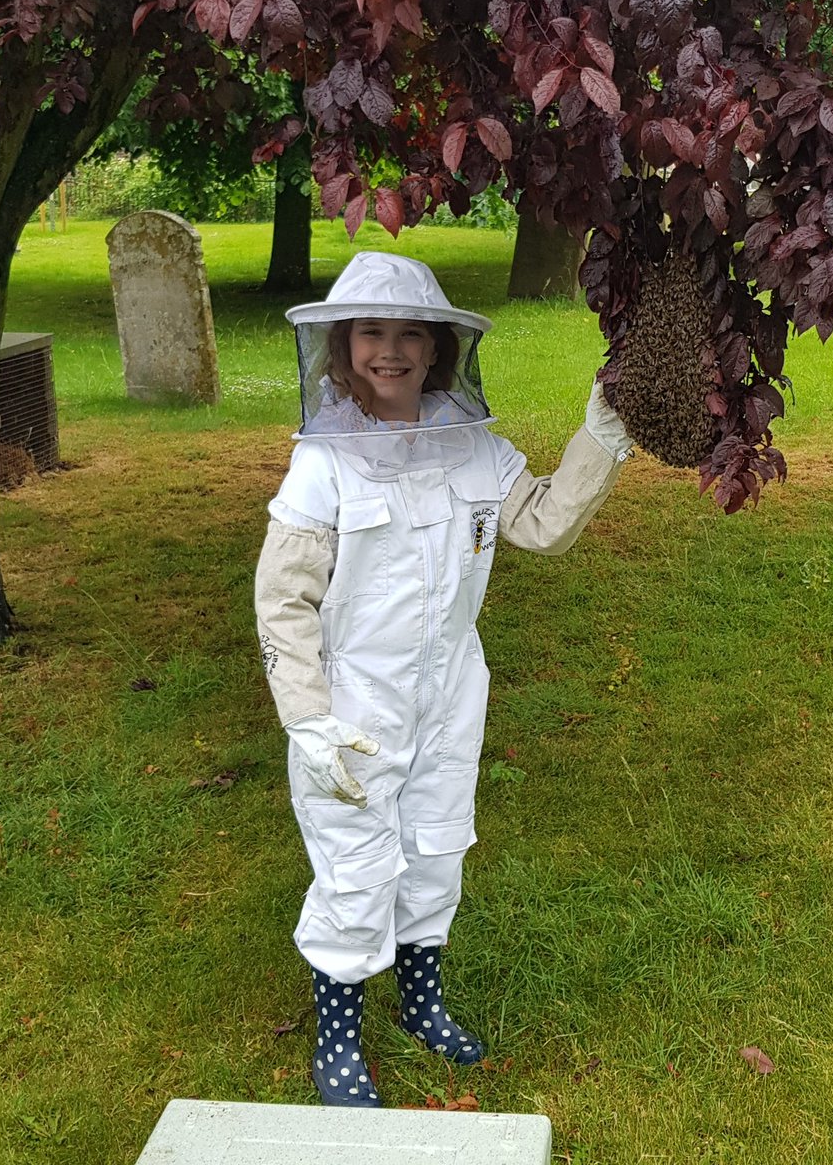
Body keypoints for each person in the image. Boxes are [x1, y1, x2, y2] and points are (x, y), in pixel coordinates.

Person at [254, 251, 633, 1108]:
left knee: (434, 845)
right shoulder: (323, 465)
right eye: (372, 333)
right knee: (356, 865)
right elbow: (283, 602)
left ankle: (422, 1001)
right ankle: (339, 1035)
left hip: (452, 687)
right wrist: (308, 721)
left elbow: (538, 524)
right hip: (353, 703)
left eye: (410, 334)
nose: (390, 350)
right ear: (343, 345)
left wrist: (599, 436)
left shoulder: (474, 449)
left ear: (438, 350)